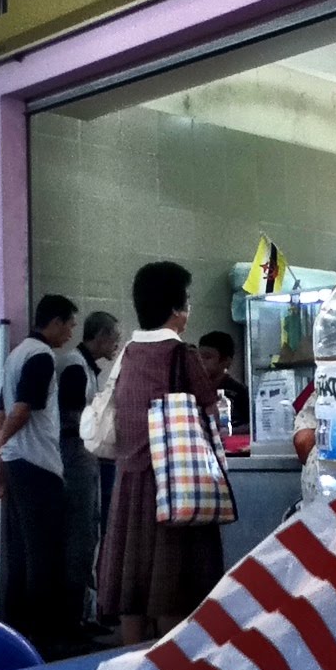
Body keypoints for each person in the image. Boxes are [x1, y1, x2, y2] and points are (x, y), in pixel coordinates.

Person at [97, 262, 224, 645]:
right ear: (176, 307)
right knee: (174, 584)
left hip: (129, 482)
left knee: (132, 588)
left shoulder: (128, 354)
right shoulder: (180, 355)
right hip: (174, 480)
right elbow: (209, 410)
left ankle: (131, 663)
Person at [0, 294, 78, 659]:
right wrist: (4, 439)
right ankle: (42, 641)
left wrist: (0, 460)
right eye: (69, 325)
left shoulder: (16, 355)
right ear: (54, 322)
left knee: (21, 553)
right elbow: (22, 410)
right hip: (38, 466)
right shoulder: (41, 356)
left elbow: (0, 411)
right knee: (44, 554)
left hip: (17, 465)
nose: (71, 332)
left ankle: (17, 632)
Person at [57, 310, 120, 639]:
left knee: (90, 535)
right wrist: (98, 426)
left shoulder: (85, 367)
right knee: (81, 537)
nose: (116, 344)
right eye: (114, 337)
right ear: (101, 336)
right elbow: (67, 417)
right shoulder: (74, 366)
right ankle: (72, 619)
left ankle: (84, 612)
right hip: (75, 457)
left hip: (86, 457)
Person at [198, 330, 250, 433]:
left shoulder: (239, 391)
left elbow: (251, 426)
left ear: (226, 361)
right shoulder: (194, 388)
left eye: (207, 357)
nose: (201, 361)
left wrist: (230, 431)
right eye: (199, 357)